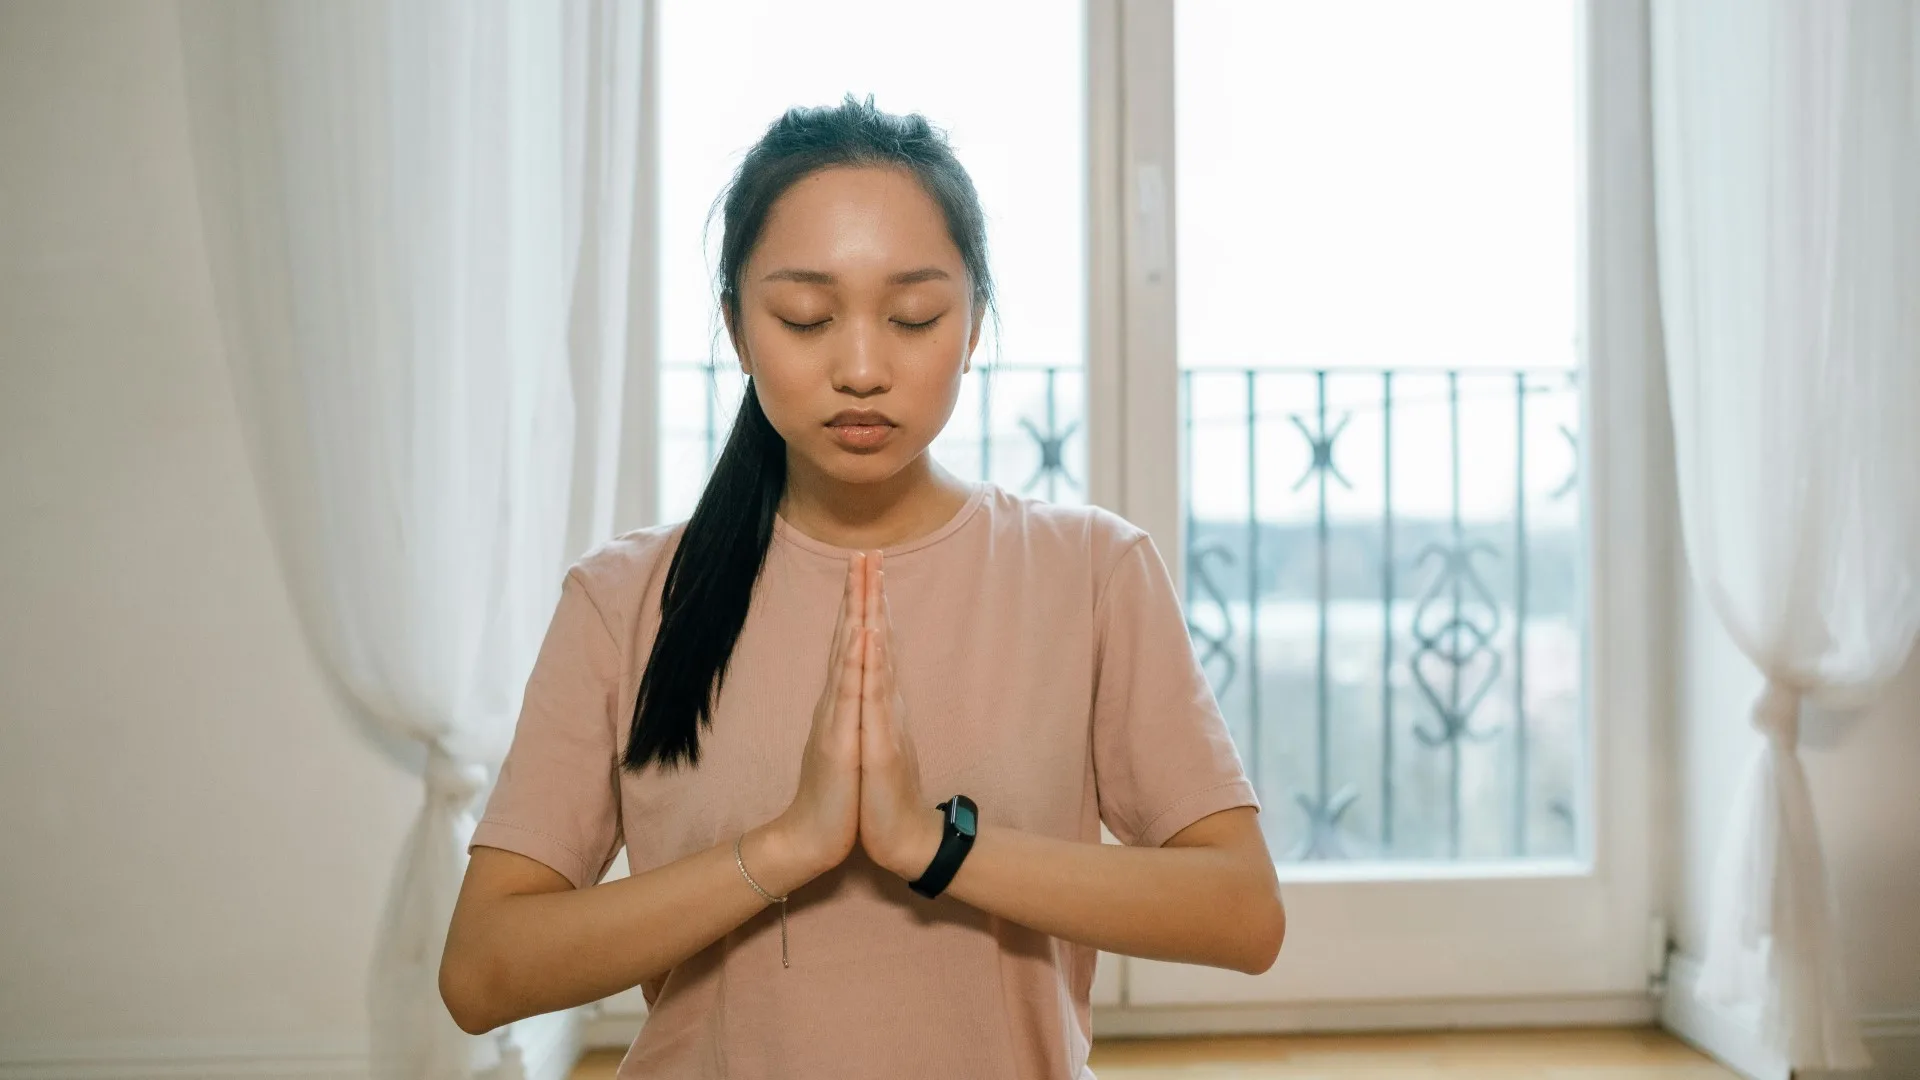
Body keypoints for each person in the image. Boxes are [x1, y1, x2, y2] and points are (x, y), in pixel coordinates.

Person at [439, 94, 1284, 1079]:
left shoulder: (1090, 572)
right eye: (805, 317)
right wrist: (785, 849)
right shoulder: (623, 600)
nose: (861, 366)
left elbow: (1242, 912)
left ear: (973, 326)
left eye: (913, 316)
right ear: (737, 328)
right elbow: (483, 972)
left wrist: (933, 847)